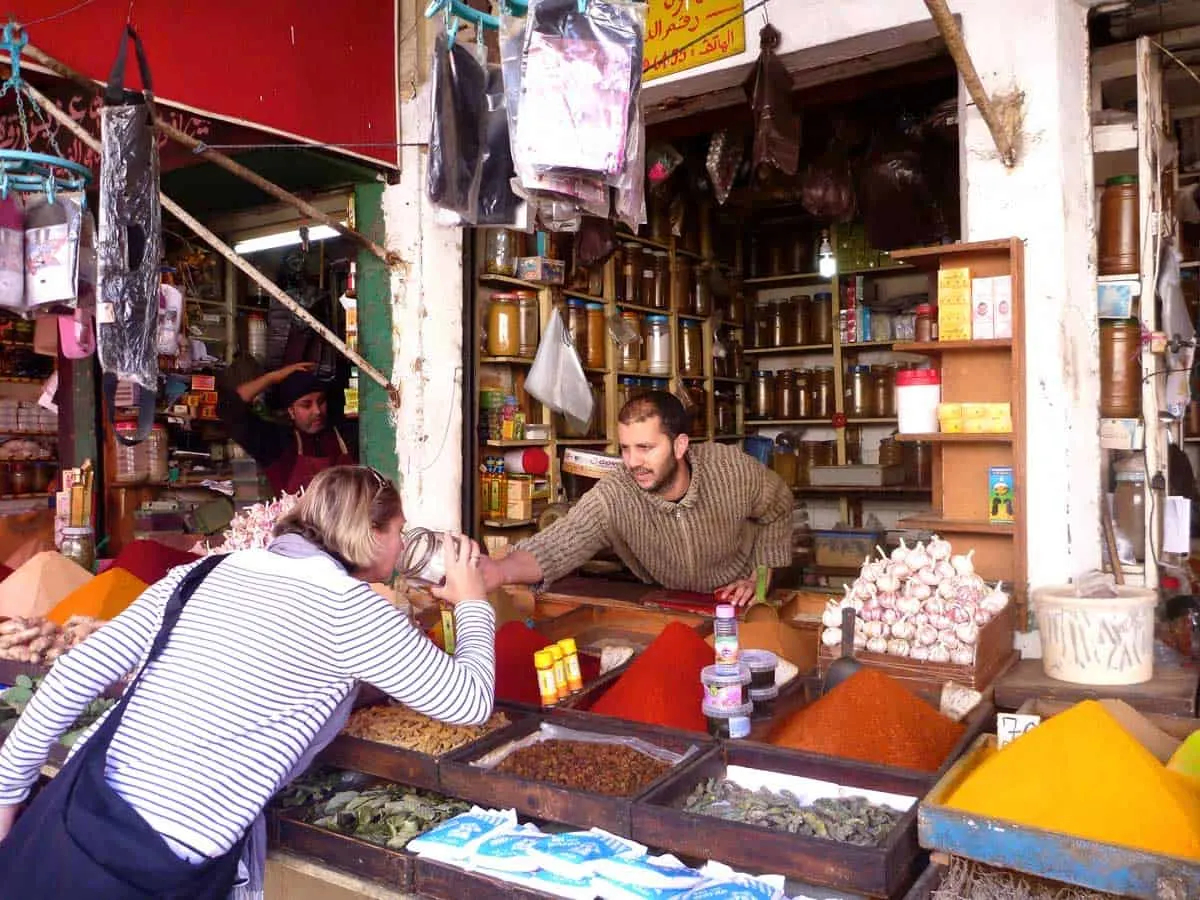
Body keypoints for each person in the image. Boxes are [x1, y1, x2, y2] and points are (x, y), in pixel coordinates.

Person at [0, 466, 494, 898]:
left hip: (78, 807)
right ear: (370, 533)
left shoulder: (207, 572)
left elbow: (76, 671)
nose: (403, 546)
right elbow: (469, 702)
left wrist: (6, 794)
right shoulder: (349, 608)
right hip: (158, 857)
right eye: (399, 531)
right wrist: (472, 600)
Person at [480, 391, 793, 606]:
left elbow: (779, 507)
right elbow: (557, 544)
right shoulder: (616, 494)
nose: (632, 462)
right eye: (625, 449)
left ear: (680, 445)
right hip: (669, 605)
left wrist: (759, 577)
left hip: (736, 603)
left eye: (645, 448)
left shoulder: (730, 470)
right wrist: (499, 571)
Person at [219, 360, 355, 495]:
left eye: (321, 402)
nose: (317, 411)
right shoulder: (275, 442)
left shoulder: (344, 433)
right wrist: (273, 377)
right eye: (306, 405)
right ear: (291, 411)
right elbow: (229, 409)